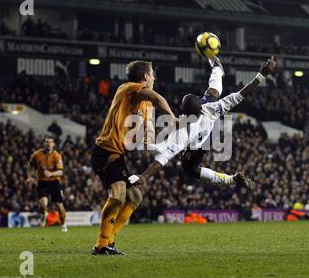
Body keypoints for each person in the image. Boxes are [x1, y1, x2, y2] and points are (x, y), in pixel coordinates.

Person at [129, 57, 277, 191]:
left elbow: (161, 160)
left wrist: (143, 177)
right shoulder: (209, 107)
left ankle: (231, 179)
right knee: (212, 94)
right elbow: (243, 94)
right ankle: (217, 67)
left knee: (189, 169)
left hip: (199, 141)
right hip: (209, 130)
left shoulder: (183, 133)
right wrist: (262, 74)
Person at [91, 60, 177, 255]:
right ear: (146, 77)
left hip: (117, 152)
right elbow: (157, 98)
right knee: (118, 192)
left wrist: (156, 143)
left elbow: (147, 134)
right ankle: (101, 244)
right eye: (152, 74)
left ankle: (109, 241)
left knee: (135, 196)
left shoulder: (145, 104)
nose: (154, 78)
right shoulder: (129, 88)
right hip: (105, 150)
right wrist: (172, 117)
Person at [26, 136, 67, 232]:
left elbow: (60, 172)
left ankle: (64, 224)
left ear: (53, 144)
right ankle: (43, 214)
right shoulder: (37, 155)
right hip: (42, 182)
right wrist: (29, 176)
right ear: (44, 144)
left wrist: (51, 174)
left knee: (60, 207)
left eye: (50, 142)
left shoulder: (57, 156)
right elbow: (30, 165)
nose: (48, 144)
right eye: (46, 142)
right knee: (43, 204)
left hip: (54, 182)